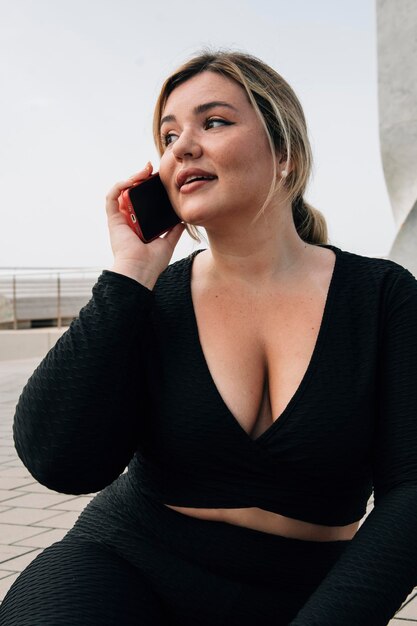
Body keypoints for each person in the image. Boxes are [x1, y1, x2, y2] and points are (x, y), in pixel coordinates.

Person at [1, 49, 416, 626]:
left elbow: (410, 492)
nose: (183, 147)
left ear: (286, 153)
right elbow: (61, 463)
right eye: (168, 136)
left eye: (213, 121)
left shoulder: (383, 296)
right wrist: (129, 276)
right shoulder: (151, 299)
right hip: (127, 559)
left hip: (310, 590)